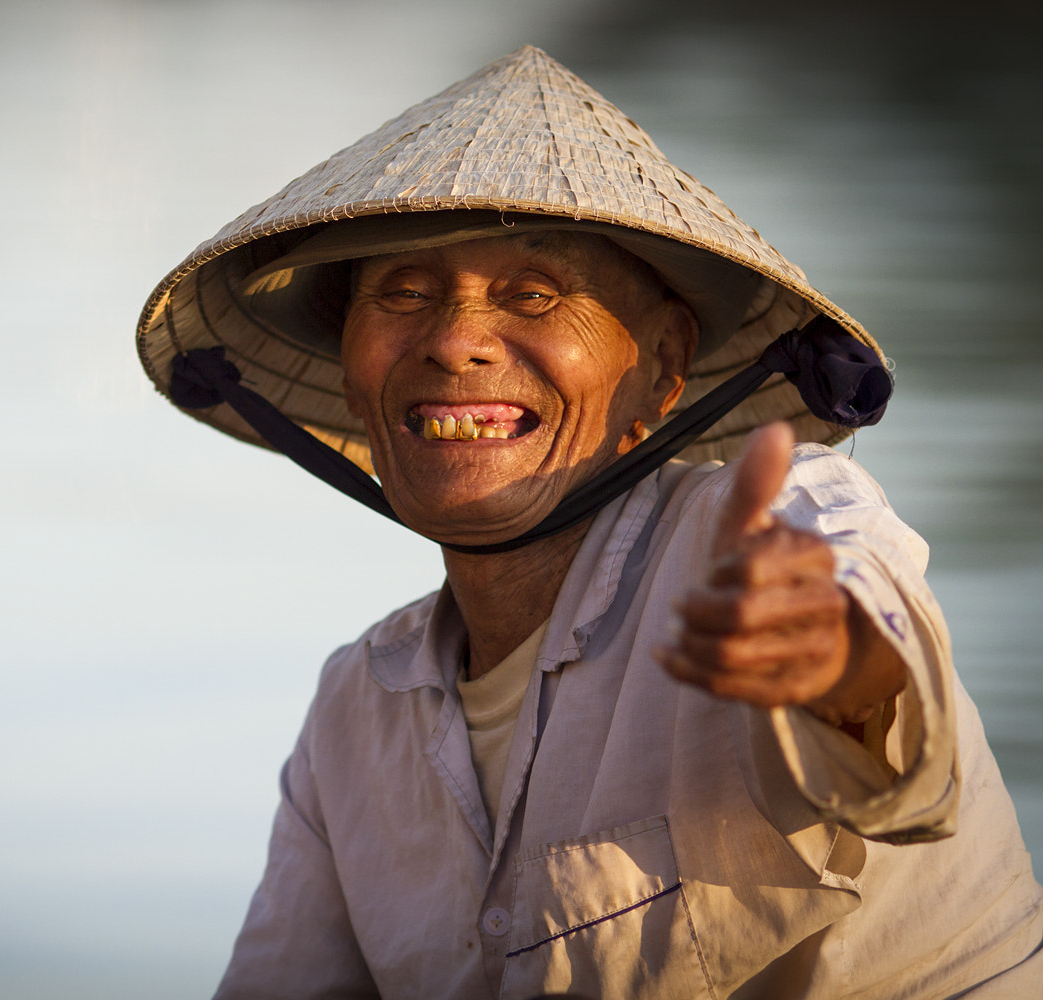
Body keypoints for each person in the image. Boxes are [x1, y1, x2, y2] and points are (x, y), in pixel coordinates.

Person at [135, 47, 1043, 998]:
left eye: (533, 295)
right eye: (403, 293)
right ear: (354, 369)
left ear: (661, 367)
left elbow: (899, 742)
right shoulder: (354, 715)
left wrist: (832, 663)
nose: (453, 343)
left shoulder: (779, 531)